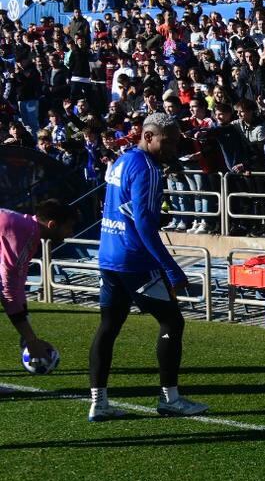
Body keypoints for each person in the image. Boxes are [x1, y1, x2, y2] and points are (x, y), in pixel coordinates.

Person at [88, 112, 209, 422]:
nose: (172, 148)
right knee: (172, 322)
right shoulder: (149, 168)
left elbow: (124, 208)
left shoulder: (123, 160)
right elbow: (142, 223)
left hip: (109, 256)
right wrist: (170, 268)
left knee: (109, 326)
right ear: (149, 136)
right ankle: (170, 398)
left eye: (176, 142)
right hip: (135, 260)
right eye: (167, 142)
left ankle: (98, 402)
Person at [0, 200, 75, 363]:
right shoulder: (21, 234)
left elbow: (17, 284)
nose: (71, 234)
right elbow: (8, 292)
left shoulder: (28, 230)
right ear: (52, 225)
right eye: (69, 227)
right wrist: (31, 341)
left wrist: (26, 333)